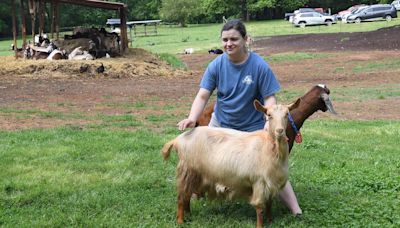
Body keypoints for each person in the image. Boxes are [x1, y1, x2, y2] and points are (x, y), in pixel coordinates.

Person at [177, 19, 302, 216]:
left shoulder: (259, 66)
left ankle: (296, 210)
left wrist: (268, 124)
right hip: (221, 124)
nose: (229, 44)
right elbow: (203, 94)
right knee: (203, 162)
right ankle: (197, 192)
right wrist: (192, 118)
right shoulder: (216, 65)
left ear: (246, 40)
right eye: (225, 40)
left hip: (251, 128)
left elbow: (269, 97)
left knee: (272, 167)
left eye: (234, 39)